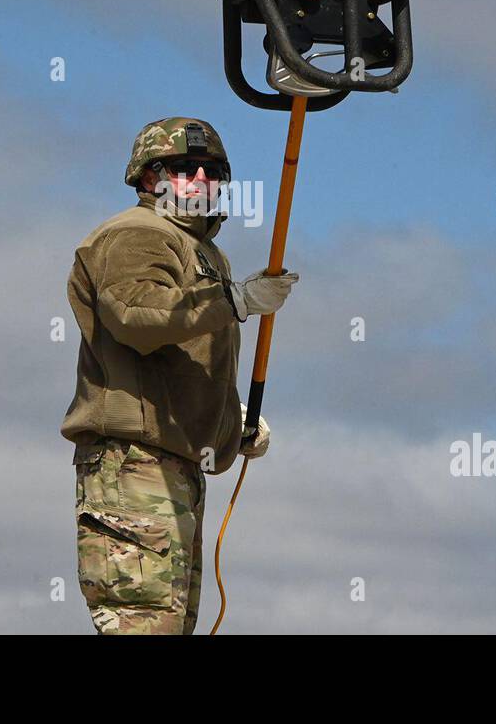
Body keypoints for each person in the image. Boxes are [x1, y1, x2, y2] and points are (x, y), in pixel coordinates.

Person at [60, 116, 298, 634]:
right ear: (149, 178)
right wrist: (234, 300)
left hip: (173, 465)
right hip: (135, 464)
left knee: (165, 626)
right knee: (144, 624)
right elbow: (138, 317)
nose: (202, 179)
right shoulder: (137, 234)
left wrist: (228, 426)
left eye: (212, 170)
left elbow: (180, 360)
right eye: (186, 168)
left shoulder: (203, 251)